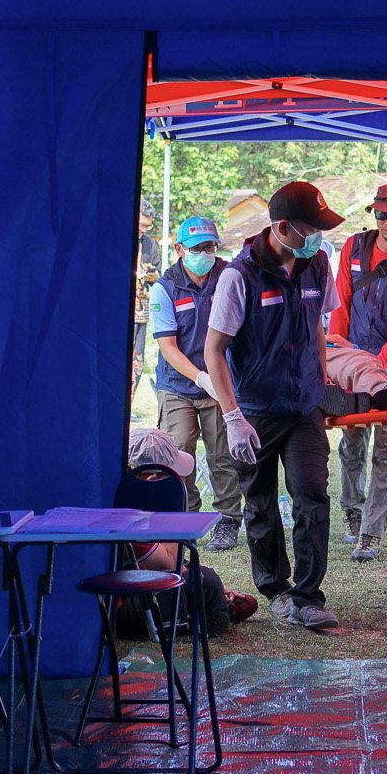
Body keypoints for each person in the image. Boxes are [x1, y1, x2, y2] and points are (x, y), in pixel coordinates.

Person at [204, 180, 345, 631]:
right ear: (283, 227)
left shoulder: (317, 264)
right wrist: (233, 417)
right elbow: (213, 350)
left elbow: (317, 325)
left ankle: (307, 595)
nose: (318, 237)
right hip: (255, 411)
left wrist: (323, 377)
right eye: (311, 228)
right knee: (261, 503)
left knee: (312, 494)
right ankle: (275, 588)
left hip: (303, 406)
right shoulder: (238, 276)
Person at [328, 182, 387, 562]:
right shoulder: (354, 246)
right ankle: (353, 512)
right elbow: (340, 302)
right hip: (352, 363)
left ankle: (371, 531)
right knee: (351, 444)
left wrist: (377, 364)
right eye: (382, 214)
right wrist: (336, 355)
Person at [148, 215, 243, 551]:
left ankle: (228, 520)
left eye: (210, 247)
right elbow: (167, 347)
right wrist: (201, 377)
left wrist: (219, 380)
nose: (204, 253)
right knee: (179, 451)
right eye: (197, 248)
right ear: (179, 249)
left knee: (223, 454)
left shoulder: (230, 277)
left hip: (222, 383)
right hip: (178, 385)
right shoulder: (164, 287)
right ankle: (186, 519)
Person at [123, 428, 257, 637]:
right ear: (150, 479)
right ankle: (208, 612)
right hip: (126, 603)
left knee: (203, 577)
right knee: (208, 582)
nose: (182, 480)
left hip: (138, 581)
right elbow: (169, 566)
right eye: (173, 475)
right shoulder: (131, 516)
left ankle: (211, 604)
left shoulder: (130, 501)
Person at [132, 200, 163, 392]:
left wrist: (152, 275)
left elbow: (158, 276)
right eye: (141, 224)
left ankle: (129, 401)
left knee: (137, 361)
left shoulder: (150, 245)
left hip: (140, 312)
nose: (143, 229)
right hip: (114, 311)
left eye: (147, 226)